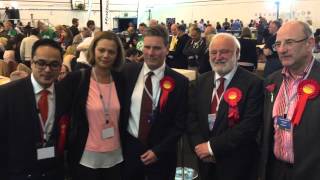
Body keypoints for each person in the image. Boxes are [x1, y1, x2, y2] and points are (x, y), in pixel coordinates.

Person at [187, 33, 263, 180]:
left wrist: (212, 148)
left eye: (224, 52)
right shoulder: (200, 81)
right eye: (213, 52)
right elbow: (191, 118)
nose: (218, 56)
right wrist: (200, 147)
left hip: (237, 164)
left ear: (237, 53)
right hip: (205, 162)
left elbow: (249, 125)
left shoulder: (254, 84)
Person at [121, 25, 188, 180]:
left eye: (157, 48)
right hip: (129, 153)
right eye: (147, 47)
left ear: (166, 49)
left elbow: (180, 124)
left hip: (162, 157)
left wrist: (159, 151)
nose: (150, 53)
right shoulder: (126, 73)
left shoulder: (179, 82)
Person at [60, 31, 125, 180]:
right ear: (93, 50)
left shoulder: (121, 81)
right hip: (85, 156)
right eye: (101, 50)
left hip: (115, 156)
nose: (106, 55)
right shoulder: (77, 79)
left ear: (117, 55)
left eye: (111, 51)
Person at [0, 39, 69, 180]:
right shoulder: (7, 95)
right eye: (41, 63)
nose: (48, 70)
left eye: (54, 64)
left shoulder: (66, 94)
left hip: (54, 173)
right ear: (31, 62)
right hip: (18, 173)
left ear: (61, 66)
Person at [260, 21, 320, 180]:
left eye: (289, 42)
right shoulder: (271, 81)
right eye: (278, 44)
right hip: (275, 170)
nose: (282, 50)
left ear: (310, 43)